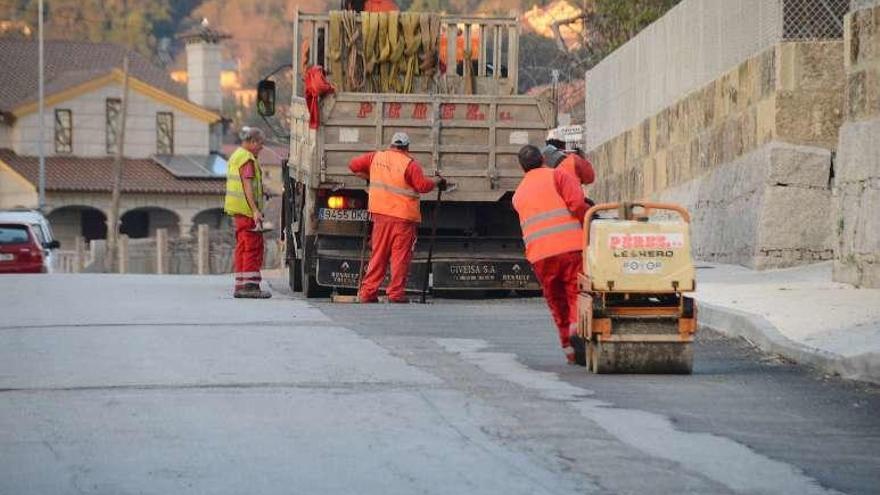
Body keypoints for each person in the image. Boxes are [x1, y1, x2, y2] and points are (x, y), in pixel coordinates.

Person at [512, 144, 588, 364]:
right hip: (571, 248)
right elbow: (577, 204)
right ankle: (576, 327)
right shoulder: (559, 175)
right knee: (576, 292)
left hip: (540, 256)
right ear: (543, 159)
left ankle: (568, 349)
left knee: (556, 300)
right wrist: (588, 223)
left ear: (522, 167)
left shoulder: (518, 195)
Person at [349, 132, 446, 303]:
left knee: (378, 255)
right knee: (400, 257)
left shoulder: (376, 157)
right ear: (407, 147)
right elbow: (422, 186)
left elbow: (353, 165)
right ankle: (395, 294)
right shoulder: (410, 164)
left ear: (391, 145)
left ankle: (367, 292)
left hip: (380, 215)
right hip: (403, 218)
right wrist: (437, 181)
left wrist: (369, 177)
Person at [224, 127, 271, 299]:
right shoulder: (247, 159)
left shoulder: (236, 156)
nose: (262, 147)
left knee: (243, 247)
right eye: (260, 144)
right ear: (252, 142)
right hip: (247, 212)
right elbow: (247, 186)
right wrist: (255, 211)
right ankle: (251, 286)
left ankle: (241, 285)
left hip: (239, 212)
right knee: (253, 247)